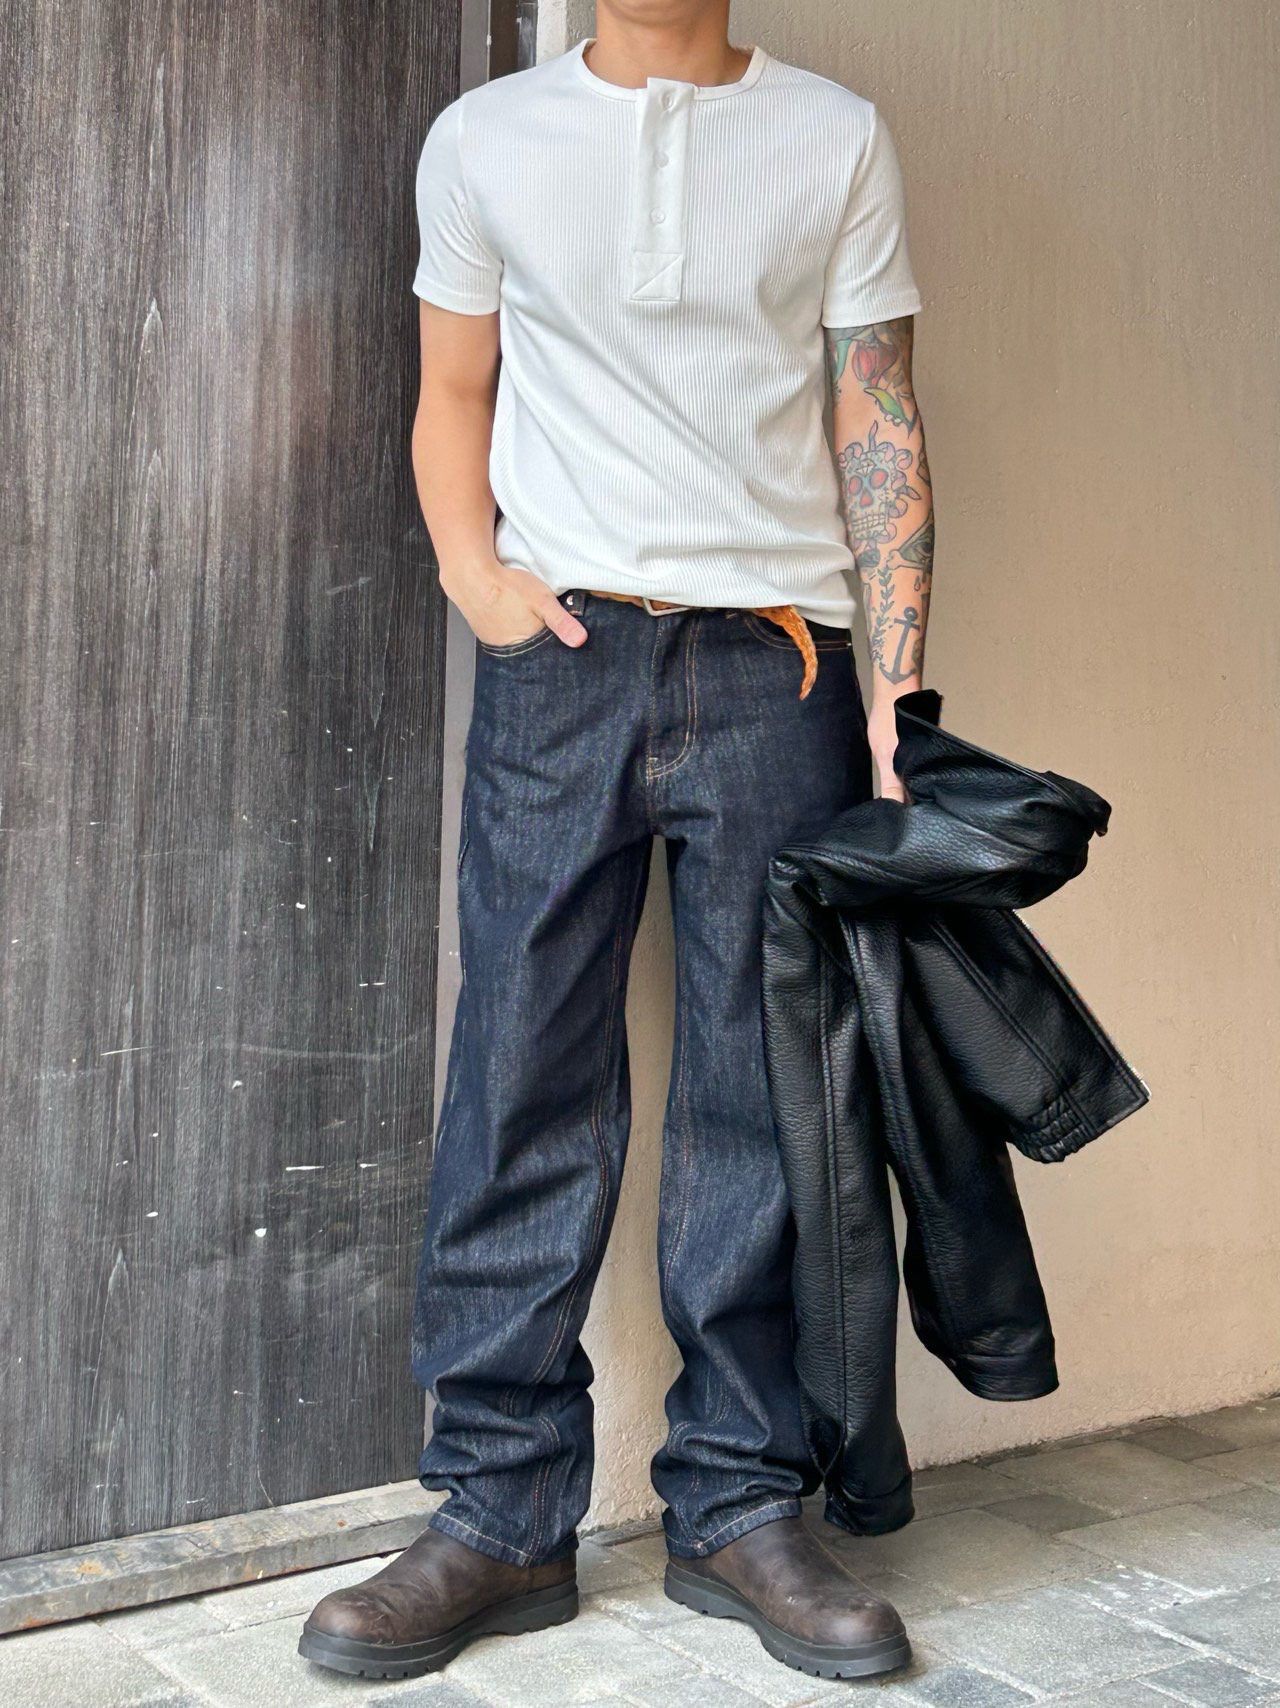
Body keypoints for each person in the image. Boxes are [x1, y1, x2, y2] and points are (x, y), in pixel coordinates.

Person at [301, 0, 933, 1683]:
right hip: (561, 660)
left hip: (781, 664)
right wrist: (477, 578)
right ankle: (501, 1513)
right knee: (521, 1069)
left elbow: (878, 415)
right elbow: (453, 389)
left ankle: (740, 1502)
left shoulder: (836, 138)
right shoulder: (487, 139)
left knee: (764, 1088)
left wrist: (897, 691)